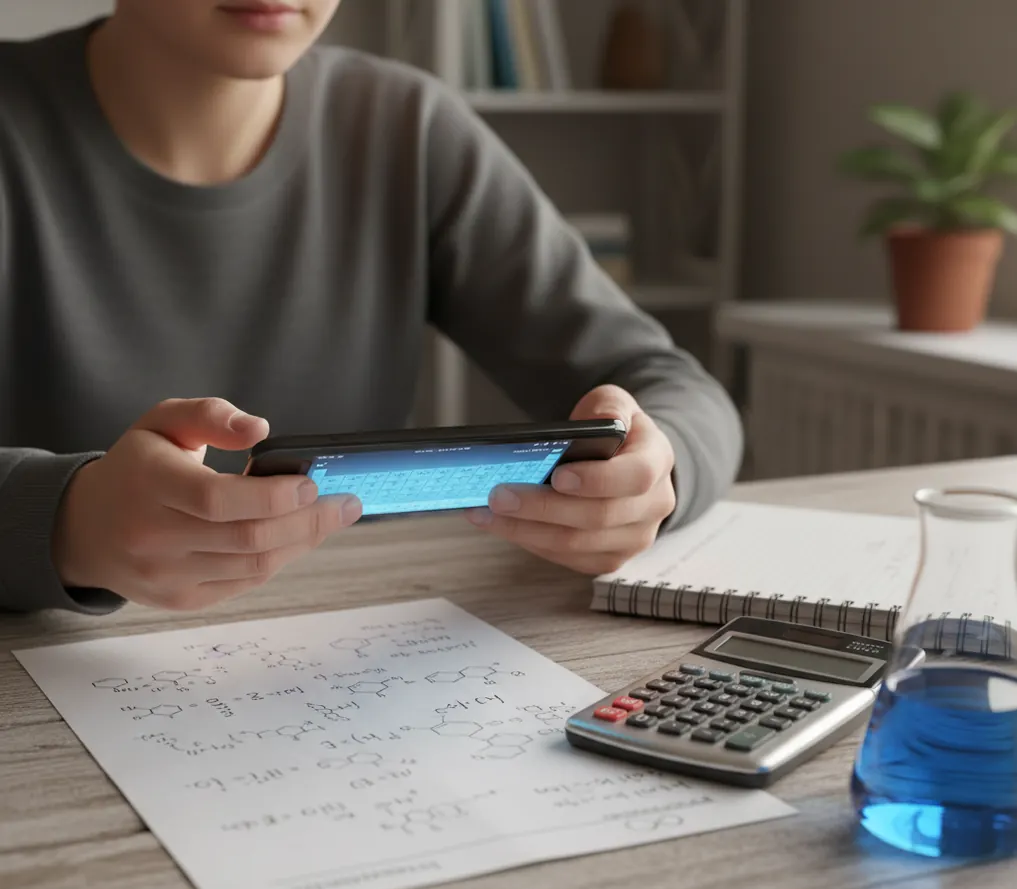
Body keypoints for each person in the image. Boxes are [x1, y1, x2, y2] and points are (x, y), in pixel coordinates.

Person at [0, 0, 742, 616]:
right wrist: (64, 521)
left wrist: (657, 472)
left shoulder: (405, 127)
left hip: (344, 662)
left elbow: (670, 385)